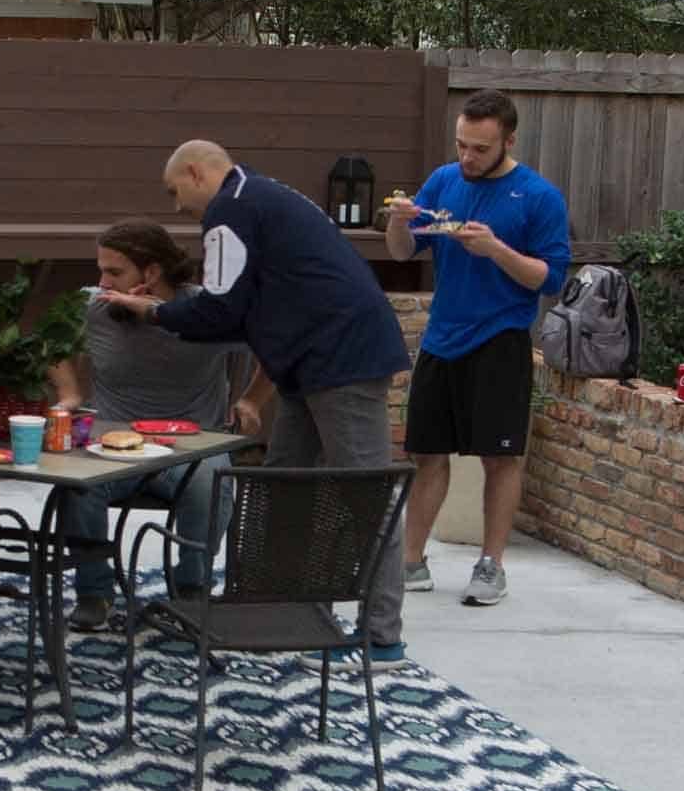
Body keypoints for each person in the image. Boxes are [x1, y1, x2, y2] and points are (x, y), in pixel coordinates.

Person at [95, 140, 413, 659]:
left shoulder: (231, 208)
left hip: (343, 359)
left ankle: (381, 634)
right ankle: (278, 604)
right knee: (284, 480)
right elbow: (246, 306)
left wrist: (149, 311)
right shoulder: (261, 196)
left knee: (366, 492)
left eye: (177, 192)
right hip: (307, 362)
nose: (178, 207)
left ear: (197, 173)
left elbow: (221, 312)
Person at [381, 89, 570, 609]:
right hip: (442, 338)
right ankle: (411, 561)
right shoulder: (443, 181)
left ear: (508, 141)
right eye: (462, 144)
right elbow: (404, 251)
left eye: (480, 149)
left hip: (500, 341)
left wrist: (495, 249)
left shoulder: (538, 197)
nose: (467, 157)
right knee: (425, 453)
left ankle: (491, 565)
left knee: (500, 458)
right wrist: (399, 221)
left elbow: (548, 279)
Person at [50, 218, 263, 630]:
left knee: (209, 481)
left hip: (190, 445)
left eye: (114, 272)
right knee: (75, 483)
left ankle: (190, 589)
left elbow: (274, 343)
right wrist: (70, 396)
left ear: (150, 274)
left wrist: (252, 399)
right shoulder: (94, 306)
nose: (102, 280)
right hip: (111, 442)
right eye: (101, 270)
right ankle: (94, 591)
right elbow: (53, 345)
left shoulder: (206, 311)